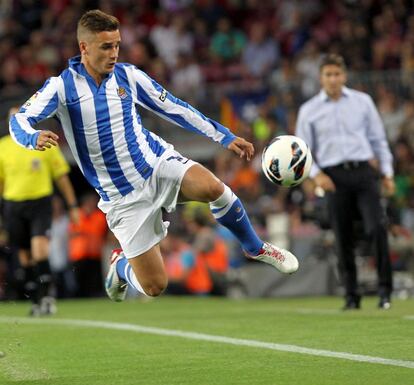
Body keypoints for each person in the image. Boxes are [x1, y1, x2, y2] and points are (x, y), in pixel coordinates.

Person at [9, 9, 298, 303]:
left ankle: (255, 246)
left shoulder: (128, 76)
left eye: (117, 45)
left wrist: (223, 135)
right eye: (106, 46)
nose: (114, 53)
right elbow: (18, 120)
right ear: (84, 47)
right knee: (155, 286)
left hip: (156, 164)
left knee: (214, 187)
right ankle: (121, 267)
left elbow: (174, 107)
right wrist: (33, 138)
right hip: (122, 197)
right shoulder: (61, 88)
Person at [295, 54, 395, 310]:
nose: (333, 79)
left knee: (377, 228)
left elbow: (378, 140)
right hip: (333, 178)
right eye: (328, 74)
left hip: (363, 172)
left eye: (337, 74)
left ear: (344, 75)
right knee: (343, 237)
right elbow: (302, 151)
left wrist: (387, 173)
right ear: (321, 77)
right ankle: (351, 295)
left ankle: (385, 292)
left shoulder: (362, 102)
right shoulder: (309, 110)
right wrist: (317, 174)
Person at [1, 107, 79, 316]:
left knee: (39, 250)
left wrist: (72, 206)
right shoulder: (3, 147)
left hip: (40, 203)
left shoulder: (43, 142)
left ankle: (47, 298)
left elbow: (61, 177)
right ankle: (35, 299)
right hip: (13, 205)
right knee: (25, 256)